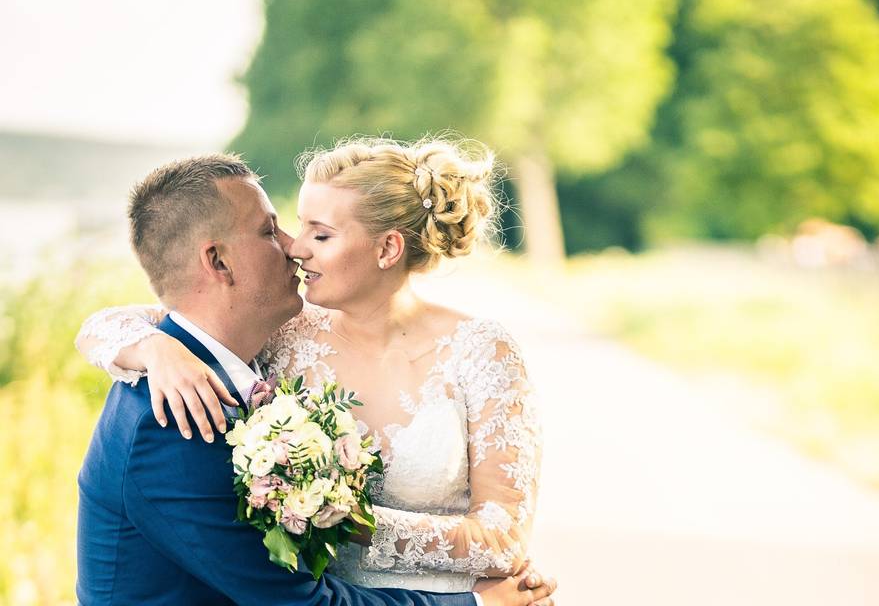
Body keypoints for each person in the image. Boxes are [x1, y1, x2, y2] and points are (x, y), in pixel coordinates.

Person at [76, 154, 556, 606]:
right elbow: (153, 316)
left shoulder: (479, 351)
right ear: (219, 261)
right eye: (280, 228)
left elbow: (504, 538)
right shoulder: (281, 338)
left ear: (388, 247)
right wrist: (155, 347)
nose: (294, 246)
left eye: (319, 235)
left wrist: (342, 516)